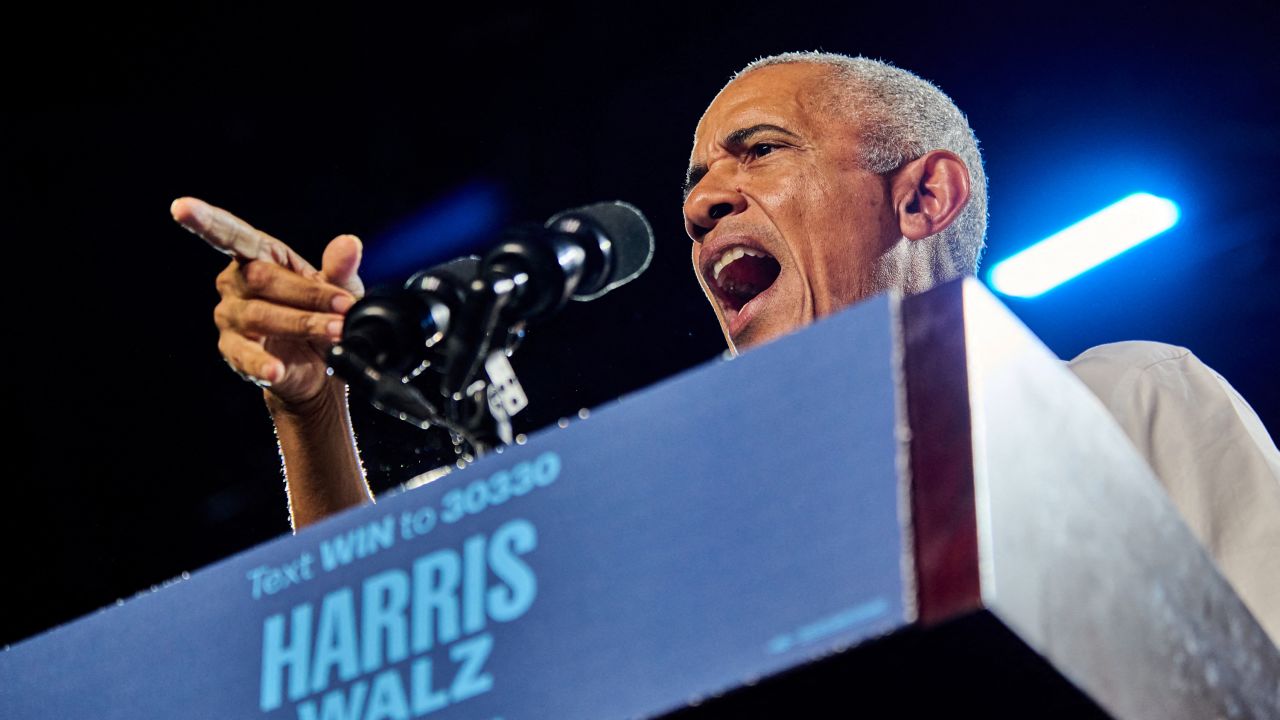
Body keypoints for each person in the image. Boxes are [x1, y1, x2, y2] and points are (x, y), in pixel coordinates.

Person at [173, 52, 1280, 642]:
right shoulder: (651, 496)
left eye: (756, 152)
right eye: (695, 181)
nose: (703, 205)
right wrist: (311, 405)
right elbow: (385, 625)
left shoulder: (1119, 398)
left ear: (921, 193)